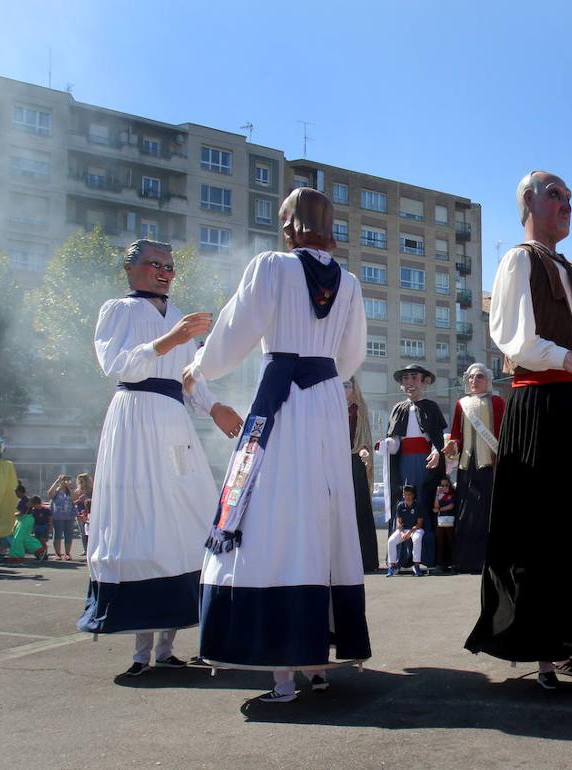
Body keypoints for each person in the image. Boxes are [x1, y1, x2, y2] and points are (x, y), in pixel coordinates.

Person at [187, 187, 371, 707]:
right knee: (321, 515)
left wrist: (199, 368)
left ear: (289, 226)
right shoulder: (352, 283)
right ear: (330, 227)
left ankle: (283, 674)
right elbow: (351, 355)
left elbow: (232, 333)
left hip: (283, 403)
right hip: (326, 401)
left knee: (270, 514)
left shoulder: (272, 266)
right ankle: (318, 660)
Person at [465, 171, 572, 690]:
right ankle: (540, 646)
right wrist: (566, 359)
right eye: (554, 194)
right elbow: (512, 338)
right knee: (539, 523)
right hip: (537, 402)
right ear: (527, 202)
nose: (565, 203)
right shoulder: (519, 259)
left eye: (568, 197)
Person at [77, 238, 241, 679]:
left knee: (186, 517)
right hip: (135, 417)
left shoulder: (177, 315)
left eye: (170, 265)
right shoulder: (120, 310)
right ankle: (140, 652)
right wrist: (169, 340)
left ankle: (170, 646)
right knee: (140, 518)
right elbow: (119, 366)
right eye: (155, 264)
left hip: (174, 420)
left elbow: (190, 377)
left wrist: (215, 407)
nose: (165, 271)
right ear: (130, 267)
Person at [382, 364, 447, 569]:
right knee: (404, 505)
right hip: (404, 464)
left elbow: (437, 439)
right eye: (406, 379)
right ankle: (400, 558)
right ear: (401, 385)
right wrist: (385, 445)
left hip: (425, 462)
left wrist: (437, 452)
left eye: (414, 378)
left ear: (424, 381)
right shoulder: (397, 409)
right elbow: (395, 442)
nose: (410, 383)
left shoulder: (432, 407)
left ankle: (426, 557)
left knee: (424, 504)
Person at [442, 362, 505, 573]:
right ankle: (464, 559)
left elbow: (504, 433)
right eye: (470, 377)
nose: (474, 381)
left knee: (488, 511)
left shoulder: (497, 402)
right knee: (466, 512)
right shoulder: (462, 404)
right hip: (466, 465)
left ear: (487, 380)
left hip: (490, 465)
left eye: (479, 377)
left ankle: (490, 559)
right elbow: (456, 435)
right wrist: (452, 445)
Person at [344, 378, 379, 573]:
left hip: (355, 460)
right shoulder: (329, 407)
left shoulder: (359, 408)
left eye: (348, 385)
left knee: (359, 507)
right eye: (341, 385)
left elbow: (364, 434)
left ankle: (366, 560)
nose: (345, 389)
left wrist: (365, 449)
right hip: (335, 460)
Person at [386, 485, 425, 577]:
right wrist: (403, 532)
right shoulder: (400, 505)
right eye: (405, 494)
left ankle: (416, 566)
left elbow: (419, 524)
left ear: (413, 495)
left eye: (409, 494)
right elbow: (399, 523)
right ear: (403, 495)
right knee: (391, 541)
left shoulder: (418, 506)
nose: (407, 497)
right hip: (403, 530)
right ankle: (393, 567)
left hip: (416, 529)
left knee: (416, 539)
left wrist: (410, 532)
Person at [8, 494, 46, 562]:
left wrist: (16, 514)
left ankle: (16, 556)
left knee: (18, 538)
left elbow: (22, 512)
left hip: (24, 520)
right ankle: (39, 551)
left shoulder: (24, 501)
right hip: (28, 520)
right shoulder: (26, 501)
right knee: (26, 538)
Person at [47, 475, 77, 560]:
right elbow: (50, 493)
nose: (65, 482)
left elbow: (74, 498)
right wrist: (57, 482)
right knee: (57, 535)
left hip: (69, 517)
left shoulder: (70, 491)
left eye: (67, 480)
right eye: (64, 480)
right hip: (57, 516)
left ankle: (67, 553)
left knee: (68, 535)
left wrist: (69, 487)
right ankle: (58, 554)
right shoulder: (56, 491)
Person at [432, 477, 456, 572]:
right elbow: (435, 506)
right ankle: (440, 565)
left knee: (451, 543)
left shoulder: (452, 493)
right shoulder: (439, 494)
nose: (444, 487)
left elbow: (451, 506)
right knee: (440, 543)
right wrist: (438, 494)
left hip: (450, 521)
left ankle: (454, 564)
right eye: (442, 485)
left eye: (446, 485)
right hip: (440, 522)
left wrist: (439, 510)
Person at [73, 473, 92, 556]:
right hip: (80, 514)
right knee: (83, 533)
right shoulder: (77, 491)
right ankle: (85, 549)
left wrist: (88, 499)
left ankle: (91, 549)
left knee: (91, 533)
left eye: (82, 480)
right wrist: (79, 500)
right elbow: (73, 502)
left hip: (90, 514)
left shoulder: (92, 490)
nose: (80, 482)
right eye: (79, 481)